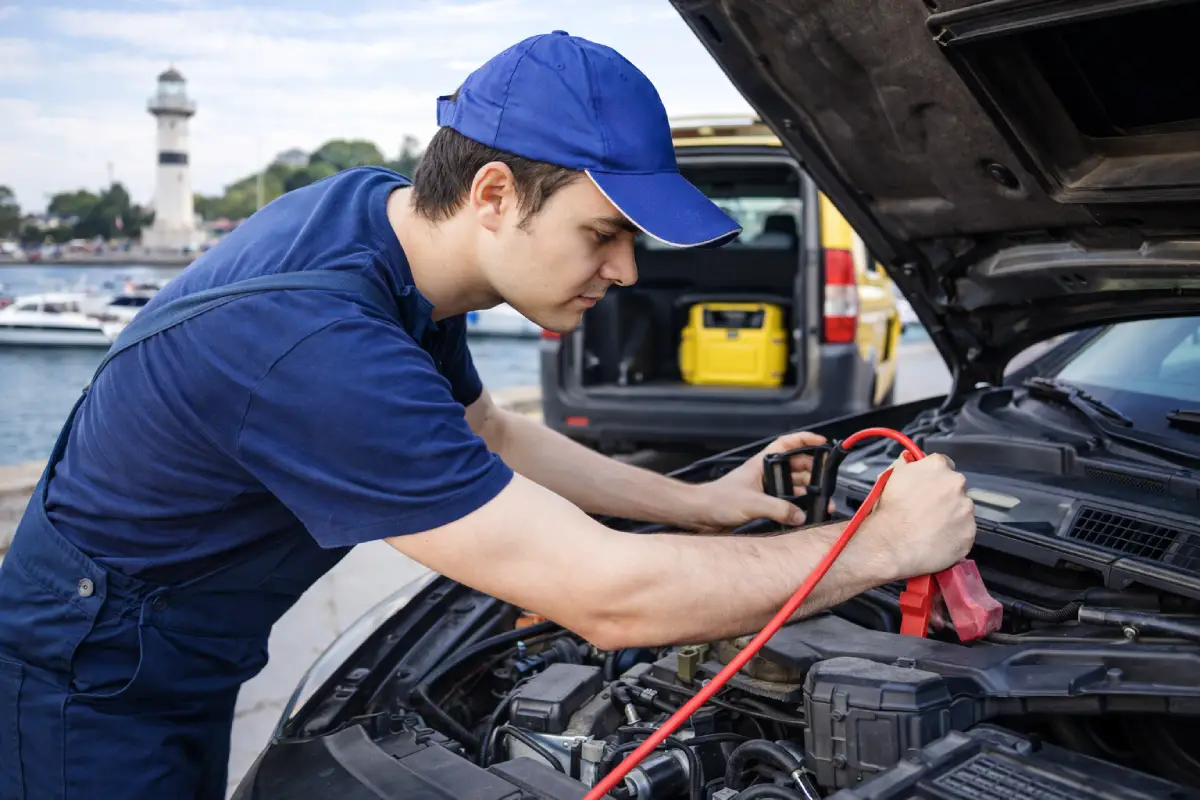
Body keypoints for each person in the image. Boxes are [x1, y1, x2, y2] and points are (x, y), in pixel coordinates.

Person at [0, 31, 975, 800]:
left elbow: (493, 431)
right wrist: (882, 545)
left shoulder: (385, 227)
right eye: (604, 233)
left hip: (173, 648)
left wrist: (703, 503)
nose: (628, 271)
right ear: (496, 194)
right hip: (90, 677)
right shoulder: (315, 344)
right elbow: (607, 598)